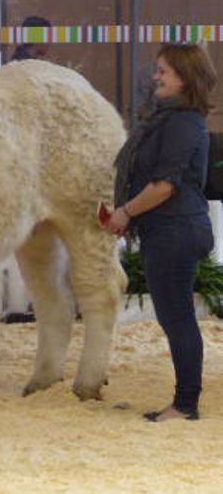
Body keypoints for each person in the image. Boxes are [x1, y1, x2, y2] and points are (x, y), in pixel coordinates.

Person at [105, 43, 218, 422]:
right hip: (169, 228)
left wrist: (124, 212)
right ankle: (185, 401)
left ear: (185, 78)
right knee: (176, 318)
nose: (155, 77)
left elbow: (164, 186)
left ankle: (185, 406)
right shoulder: (170, 119)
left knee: (178, 320)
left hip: (175, 230)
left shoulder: (183, 122)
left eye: (163, 71)